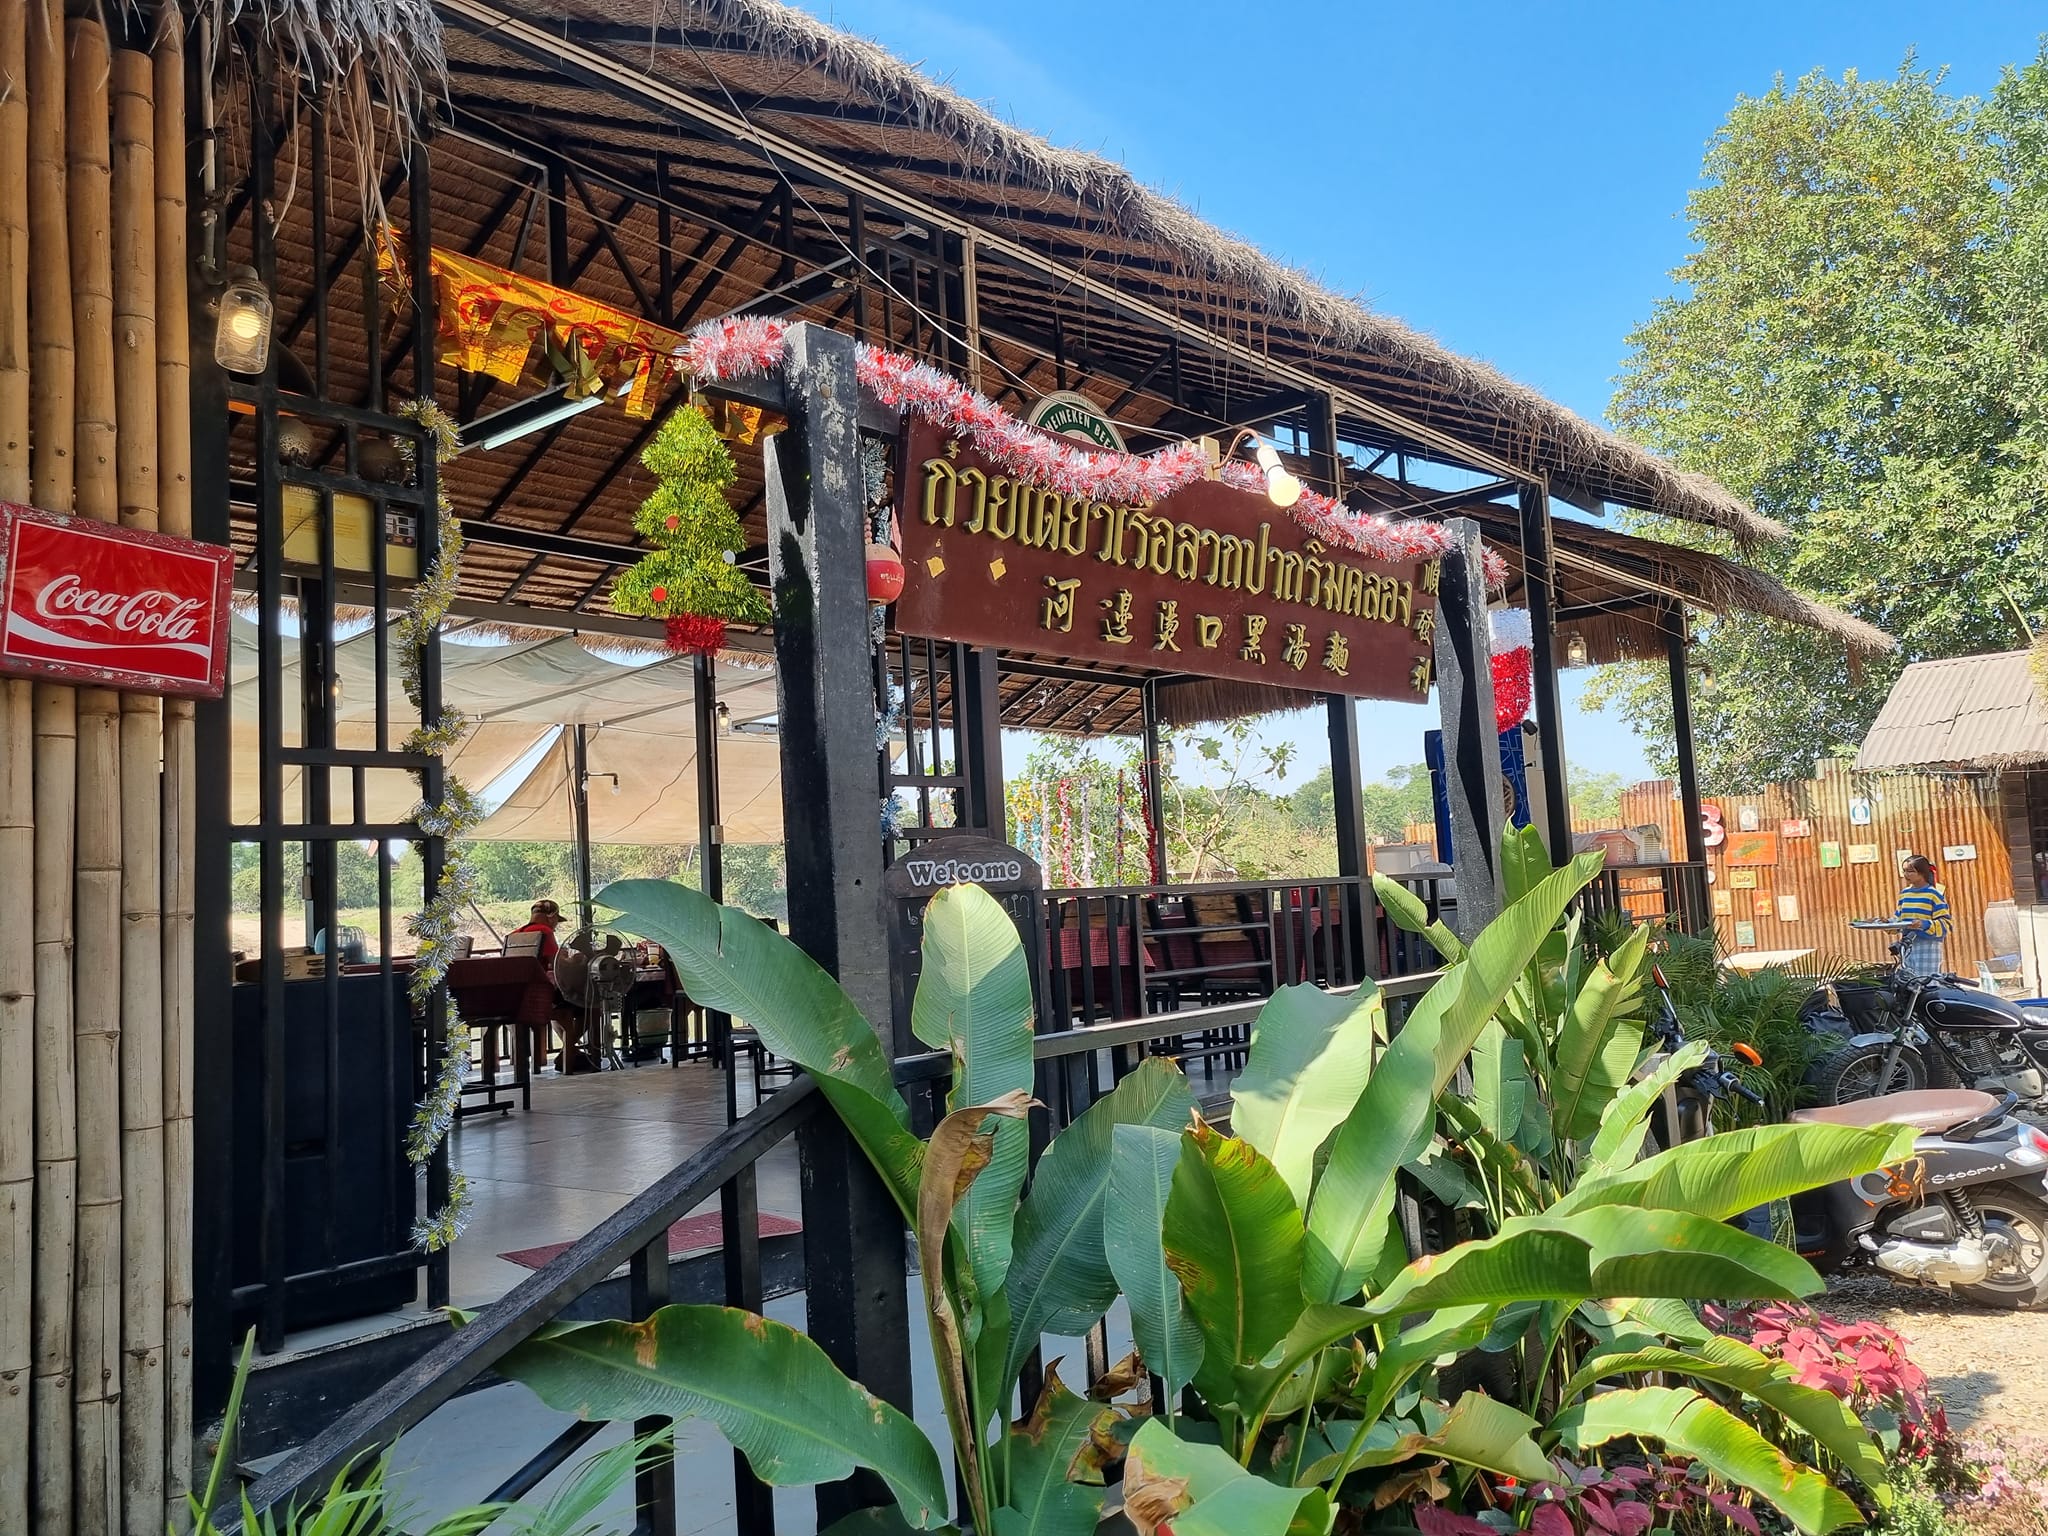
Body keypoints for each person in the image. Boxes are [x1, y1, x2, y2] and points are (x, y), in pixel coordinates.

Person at [1893, 854, 1953, 978]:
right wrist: (1884, 923)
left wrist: (1923, 924)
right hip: (1907, 947)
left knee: (1926, 984)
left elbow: (1945, 924)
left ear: (1922, 873)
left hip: (1928, 947)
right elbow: (1898, 920)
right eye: (1904, 871)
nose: (1906, 874)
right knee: (1908, 985)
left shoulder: (1933, 894)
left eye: (1910, 871)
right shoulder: (1904, 894)